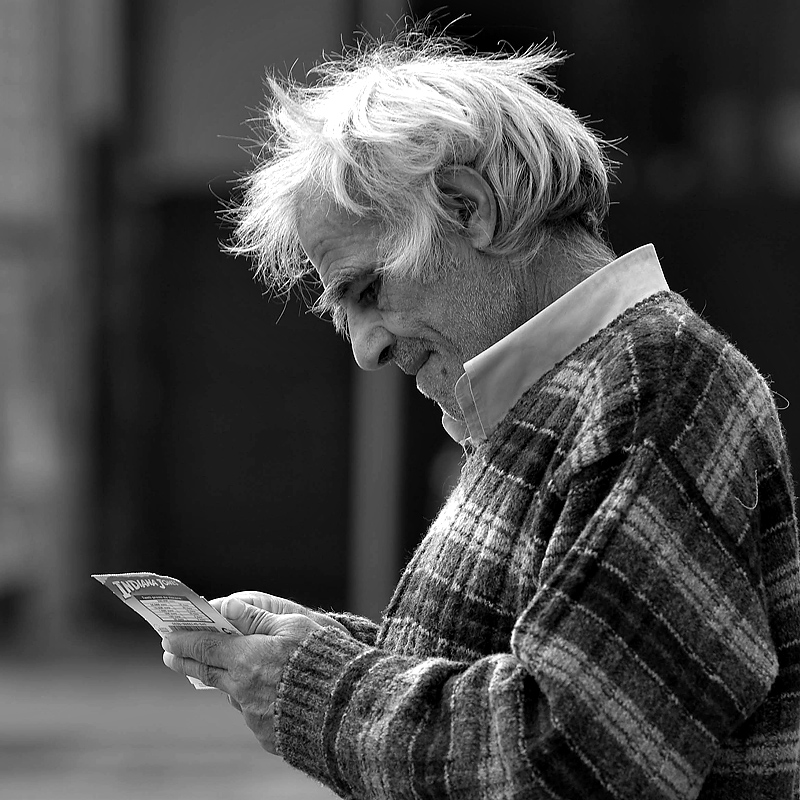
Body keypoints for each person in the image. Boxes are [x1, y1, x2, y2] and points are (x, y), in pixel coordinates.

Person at [160, 29, 800, 799]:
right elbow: (516, 675)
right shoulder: (576, 389)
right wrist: (322, 651)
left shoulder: (654, 382)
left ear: (471, 208)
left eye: (367, 290)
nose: (365, 348)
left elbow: (572, 756)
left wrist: (317, 688)